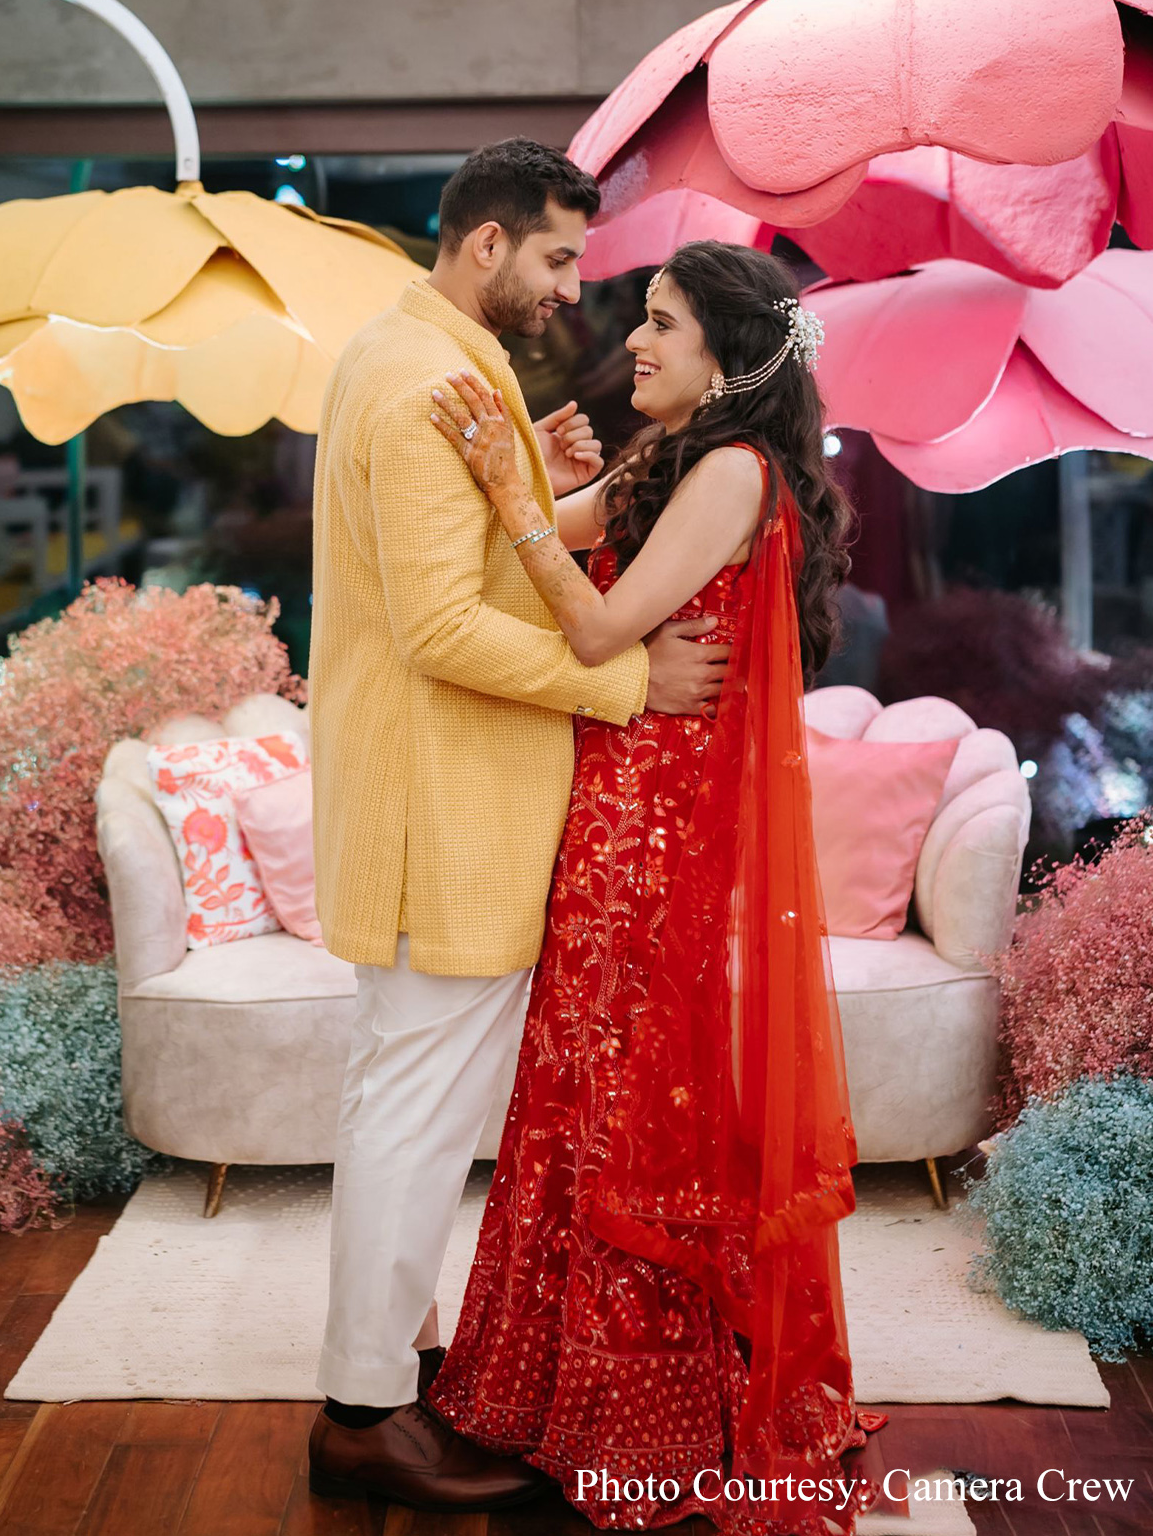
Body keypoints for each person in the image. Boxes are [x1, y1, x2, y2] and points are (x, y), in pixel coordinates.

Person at [425, 240, 884, 1533]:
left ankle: (654, 1411)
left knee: (632, 1099)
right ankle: (557, 1385)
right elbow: (550, 533)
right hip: (610, 822)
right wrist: (534, 474)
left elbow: (590, 627)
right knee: (580, 1086)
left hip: (659, 843)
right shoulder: (674, 457)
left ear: (729, 360)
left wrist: (512, 490)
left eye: (663, 323)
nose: (633, 339)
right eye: (641, 317)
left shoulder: (733, 473)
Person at [307, 141, 731, 1509]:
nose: (570, 289)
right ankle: (364, 1413)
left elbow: (458, 562)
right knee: (415, 1115)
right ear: (486, 242)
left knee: (402, 1099)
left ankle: (387, 1362)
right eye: (556, 257)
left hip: (437, 799)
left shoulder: (427, 356)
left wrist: (541, 494)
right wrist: (627, 680)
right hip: (443, 808)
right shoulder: (424, 379)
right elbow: (438, 627)